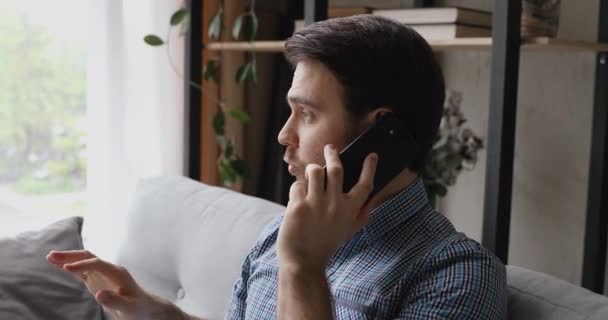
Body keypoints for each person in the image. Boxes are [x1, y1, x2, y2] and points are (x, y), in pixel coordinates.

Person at [47, 15, 507, 319]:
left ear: (380, 136)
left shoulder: (455, 276)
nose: (283, 135)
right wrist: (153, 310)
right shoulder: (281, 233)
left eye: (306, 114)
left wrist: (303, 268)